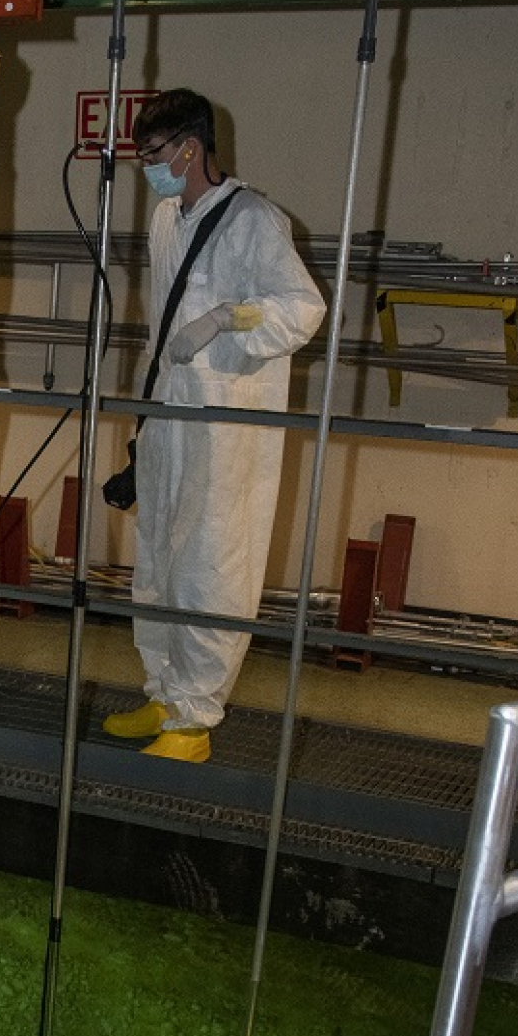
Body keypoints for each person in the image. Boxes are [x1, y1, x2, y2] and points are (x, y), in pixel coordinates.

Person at [103, 89, 325, 762]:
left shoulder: (255, 220)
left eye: (156, 155)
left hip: (228, 426)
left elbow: (302, 307)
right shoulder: (167, 220)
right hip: (169, 414)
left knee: (210, 563)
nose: (150, 168)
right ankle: (165, 694)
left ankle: (195, 720)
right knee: (159, 559)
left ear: (192, 147)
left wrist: (227, 319)